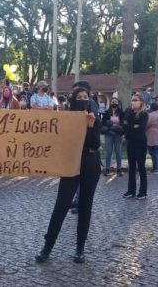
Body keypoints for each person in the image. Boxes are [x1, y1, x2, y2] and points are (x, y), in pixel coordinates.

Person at [35, 86, 101, 264]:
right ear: (73, 100)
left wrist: (91, 126)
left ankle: (80, 249)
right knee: (61, 206)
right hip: (71, 164)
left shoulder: (95, 118)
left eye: (86, 96)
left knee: (85, 207)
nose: (82, 99)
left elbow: (96, 145)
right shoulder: (65, 120)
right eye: (79, 96)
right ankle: (47, 247)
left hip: (91, 163)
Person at [123, 94, 149, 199]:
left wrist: (130, 126)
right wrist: (132, 126)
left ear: (141, 102)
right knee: (131, 167)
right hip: (131, 142)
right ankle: (131, 190)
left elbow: (141, 128)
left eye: (135, 100)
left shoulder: (144, 114)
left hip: (140, 142)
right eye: (132, 100)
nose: (133, 102)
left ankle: (143, 192)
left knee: (141, 167)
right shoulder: (129, 112)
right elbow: (124, 124)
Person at [101, 97, 124, 176]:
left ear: (118, 103)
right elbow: (102, 123)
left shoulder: (121, 112)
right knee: (109, 152)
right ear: (110, 103)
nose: (114, 103)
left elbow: (123, 123)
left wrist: (120, 130)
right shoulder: (106, 112)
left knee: (118, 152)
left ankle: (119, 169)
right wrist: (108, 128)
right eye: (112, 101)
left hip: (118, 135)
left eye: (115, 101)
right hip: (109, 134)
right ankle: (107, 169)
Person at [146, 101, 158, 174]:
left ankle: (155, 168)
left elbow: (146, 125)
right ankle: (157, 165)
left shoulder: (150, 115)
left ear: (151, 108)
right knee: (156, 151)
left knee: (153, 152)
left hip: (152, 136)